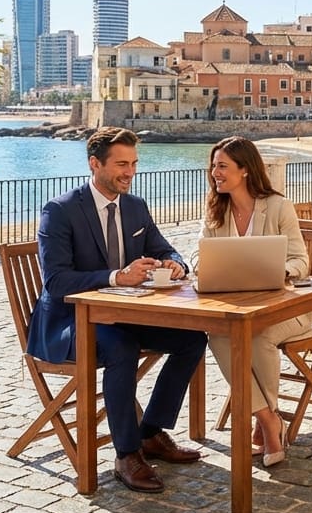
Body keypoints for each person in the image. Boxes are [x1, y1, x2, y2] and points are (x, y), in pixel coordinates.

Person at [28, 127, 207, 493]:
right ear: (95, 164)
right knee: (120, 346)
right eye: (121, 164)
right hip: (69, 323)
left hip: (123, 317)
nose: (130, 172)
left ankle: (151, 432)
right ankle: (126, 454)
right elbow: (57, 282)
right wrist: (115, 277)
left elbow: (165, 249)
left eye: (134, 163)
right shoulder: (60, 211)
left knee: (192, 338)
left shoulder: (135, 206)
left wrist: (176, 266)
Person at [202, 135, 312, 468]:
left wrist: (277, 270)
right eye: (213, 166)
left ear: (245, 170)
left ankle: (265, 422)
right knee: (218, 335)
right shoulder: (215, 209)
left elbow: (301, 261)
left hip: (288, 310)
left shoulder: (279, 206)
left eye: (222, 166)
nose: (215, 173)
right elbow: (199, 255)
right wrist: (203, 266)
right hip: (238, 309)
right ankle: (269, 419)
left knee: (259, 335)